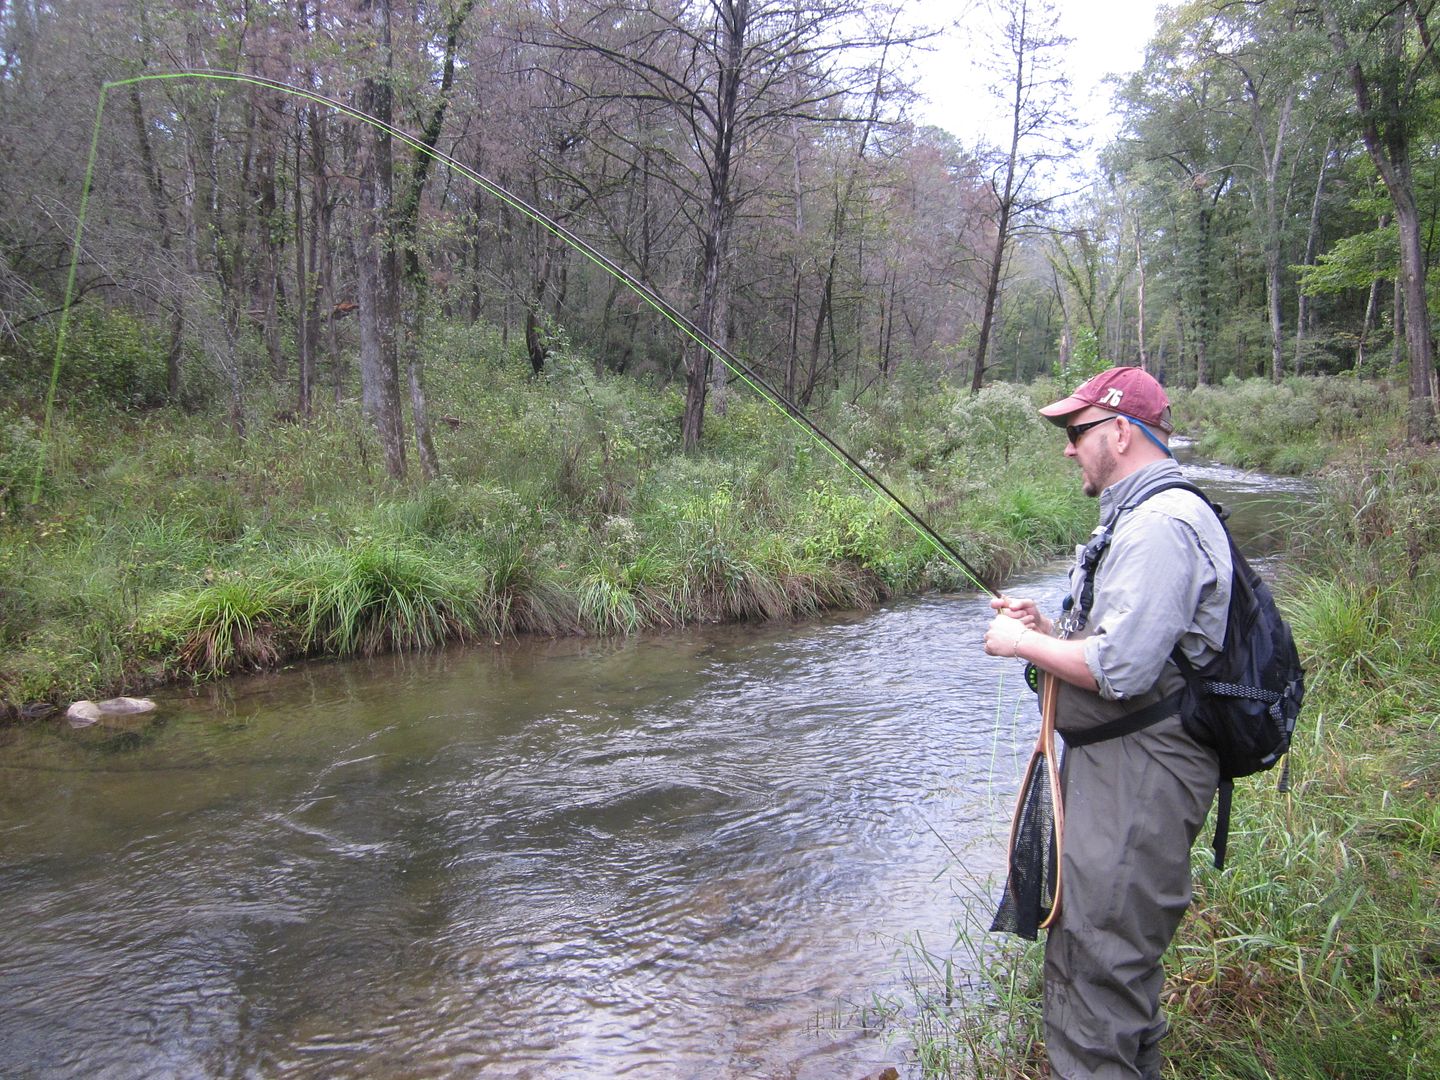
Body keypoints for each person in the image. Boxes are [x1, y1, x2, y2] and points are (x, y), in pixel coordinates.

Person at [982, 366, 1231, 1080]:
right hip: (1121, 770)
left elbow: (1121, 669)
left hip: (1141, 778)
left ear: (1120, 431)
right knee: (1107, 971)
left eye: (1075, 432)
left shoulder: (1160, 526)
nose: (1067, 448)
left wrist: (1022, 645)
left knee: (1097, 966)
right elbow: (1123, 640)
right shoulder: (1139, 516)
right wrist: (1048, 627)